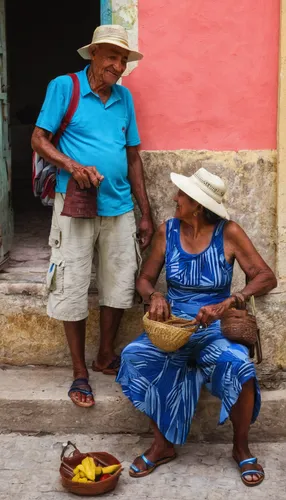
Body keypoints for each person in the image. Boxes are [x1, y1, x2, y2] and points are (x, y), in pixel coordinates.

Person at [116, 167, 277, 486]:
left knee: (240, 366)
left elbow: (266, 276)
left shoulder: (229, 232)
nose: (176, 198)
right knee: (134, 355)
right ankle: (162, 445)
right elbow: (144, 279)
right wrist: (155, 294)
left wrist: (232, 300)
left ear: (199, 205)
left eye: (183, 196)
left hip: (216, 329)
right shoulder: (168, 231)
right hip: (173, 329)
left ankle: (241, 447)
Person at [31, 25, 153, 408]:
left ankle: (104, 357)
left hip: (119, 208)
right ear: (94, 55)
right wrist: (72, 164)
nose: (117, 66)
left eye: (122, 60)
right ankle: (79, 372)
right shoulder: (63, 88)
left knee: (118, 287)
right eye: (111, 57)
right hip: (76, 206)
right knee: (72, 286)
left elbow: (133, 156)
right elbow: (38, 138)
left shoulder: (124, 98)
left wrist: (145, 212)